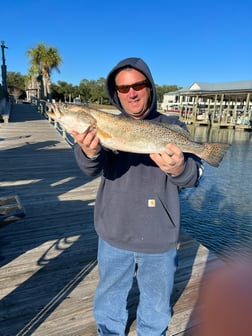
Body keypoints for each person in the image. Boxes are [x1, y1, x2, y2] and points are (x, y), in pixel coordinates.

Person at [72, 57, 203, 336]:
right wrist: (90, 151)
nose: (131, 93)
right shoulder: (106, 125)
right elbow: (88, 168)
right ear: (116, 93)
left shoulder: (173, 125)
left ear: (149, 86)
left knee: (156, 308)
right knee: (109, 299)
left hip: (159, 235)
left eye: (138, 85)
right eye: (123, 88)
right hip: (113, 231)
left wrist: (180, 168)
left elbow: (193, 176)